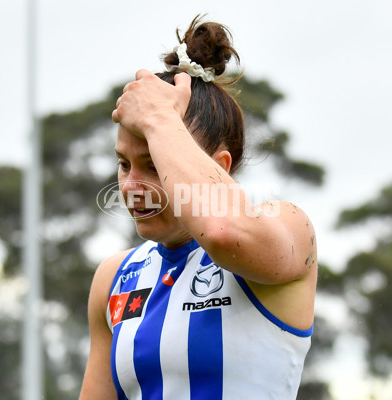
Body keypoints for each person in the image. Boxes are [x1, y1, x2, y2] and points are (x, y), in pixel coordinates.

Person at [79, 15, 317, 400]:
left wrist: (159, 119)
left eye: (154, 165)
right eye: (124, 164)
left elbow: (222, 231)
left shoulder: (289, 230)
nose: (132, 186)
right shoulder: (114, 277)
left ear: (219, 167)